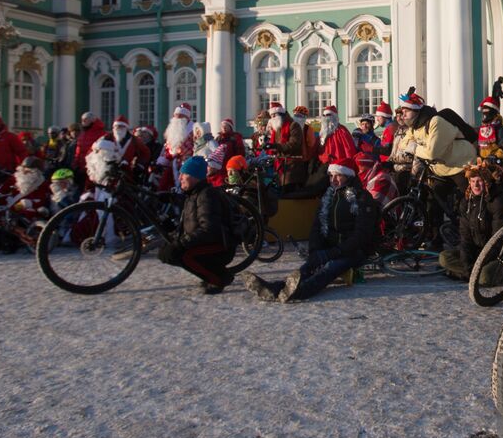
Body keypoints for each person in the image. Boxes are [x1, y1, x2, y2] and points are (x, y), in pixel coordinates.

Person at [241, 161, 378, 302]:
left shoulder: (362, 198)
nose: (333, 180)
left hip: (353, 251)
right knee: (308, 267)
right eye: (331, 176)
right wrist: (315, 250)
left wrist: (331, 253)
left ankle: (299, 292)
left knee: (329, 268)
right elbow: (316, 226)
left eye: (338, 176)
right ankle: (275, 288)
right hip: (330, 248)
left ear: (349, 176)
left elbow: (362, 235)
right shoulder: (328, 196)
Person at [395, 91, 476, 273]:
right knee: (433, 201)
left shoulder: (437, 122)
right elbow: (403, 144)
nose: (402, 115)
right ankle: (435, 240)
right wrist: (413, 147)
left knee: (468, 200)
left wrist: (415, 148)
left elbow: (432, 153)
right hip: (440, 168)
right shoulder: (415, 127)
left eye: (405, 111)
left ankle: (471, 235)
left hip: (460, 164)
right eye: (402, 111)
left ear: (416, 111)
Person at [158, 155, 238, 295]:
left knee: (182, 254)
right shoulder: (193, 194)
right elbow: (190, 226)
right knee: (168, 252)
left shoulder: (206, 195)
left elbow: (209, 229)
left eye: (185, 174)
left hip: (220, 245)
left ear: (195, 177)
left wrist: (181, 244)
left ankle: (219, 278)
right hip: (207, 242)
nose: (180, 177)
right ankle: (210, 273)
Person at [455, 160, 503, 280]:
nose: (475, 185)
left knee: (485, 277)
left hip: (495, 255)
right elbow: (465, 237)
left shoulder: (497, 202)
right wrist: (469, 265)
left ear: (486, 182)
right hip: (476, 252)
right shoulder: (466, 202)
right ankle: (468, 273)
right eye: (472, 181)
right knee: (445, 257)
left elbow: (497, 240)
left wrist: (478, 265)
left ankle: (472, 274)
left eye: (479, 181)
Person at [263, 102, 308, 190]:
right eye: (271, 116)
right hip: (281, 166)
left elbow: (294, 144)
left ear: (279, 115)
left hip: (293, 166)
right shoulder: (276, 129)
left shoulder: (293, 125)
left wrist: (275, 146)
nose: (271, 119)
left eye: (273, 116)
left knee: (289, 193)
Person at [156, 103, 196, 190]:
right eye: (175, 116)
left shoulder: (193, 131)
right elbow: (168, 149)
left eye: (180, 116)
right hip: (173, 163)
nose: (177, 119)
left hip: (187, 164)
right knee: (164, 183)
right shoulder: (172, 132)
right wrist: (163, 161)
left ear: (186, 118)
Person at [316, 106, 358, 173]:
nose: (326, 117)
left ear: (334, 116)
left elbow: (348, 150)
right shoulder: (321, 133)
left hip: (339, 166)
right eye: (324, 115)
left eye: (328, 115)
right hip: (323, 166)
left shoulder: (342, 131)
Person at [72, 112, 107, 176]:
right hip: (81, 168)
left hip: (94, 168)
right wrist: (75, 163)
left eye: (85, 119)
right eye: (82, 120)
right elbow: (78, 151)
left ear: (92, 120)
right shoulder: (83, 134)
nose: (83, 121)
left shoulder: (101, 134)